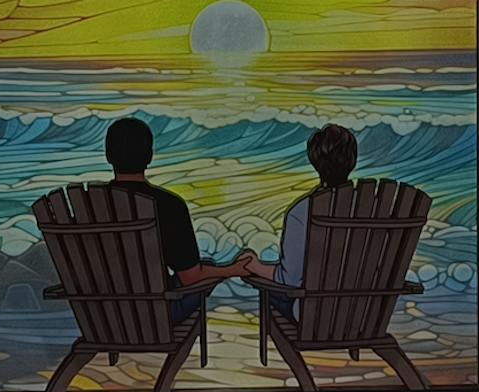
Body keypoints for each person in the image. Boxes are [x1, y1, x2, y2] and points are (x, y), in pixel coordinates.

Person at [105, 117, 244, 321]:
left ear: (108, 156)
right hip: (156, 316)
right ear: (149, 156)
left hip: (102, 317)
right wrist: (233, 270)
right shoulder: (169, 205)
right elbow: (191, 279)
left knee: (205, 266)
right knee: (205, 270)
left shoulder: (88, 206)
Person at [237, 123, 358, 320]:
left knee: (269, 295)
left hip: (313, 317)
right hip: (363, 315)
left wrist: (254, 266)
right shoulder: (376, 208)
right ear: (353, 160)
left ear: (315, 161)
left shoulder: (301, 211)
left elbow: (290, 279)